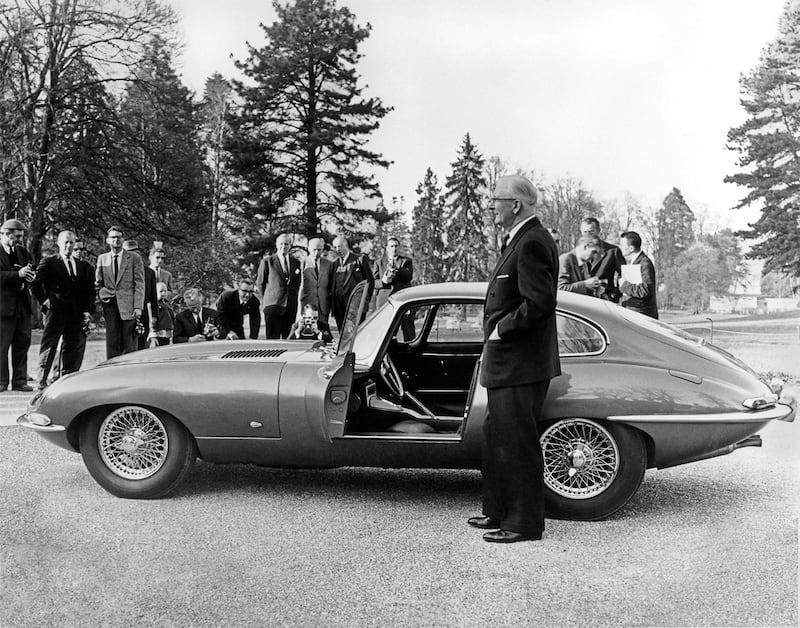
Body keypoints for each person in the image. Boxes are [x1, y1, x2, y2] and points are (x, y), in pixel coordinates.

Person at [469, 175, 561, 544]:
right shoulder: (522, 239)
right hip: (510, 364)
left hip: (520, 363)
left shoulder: (534, 241)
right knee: (496, 437)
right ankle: (498, 511)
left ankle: (523, 524)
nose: (492, 205)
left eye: (496, 200)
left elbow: (538, 303)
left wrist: (500, 329)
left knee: (517, 442)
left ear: (516, 205)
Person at [31, 230, 94, 389]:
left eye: (71, 243)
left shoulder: (83, 266)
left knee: (72, 346)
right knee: (49, 345)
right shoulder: (49, 262)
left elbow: (88, 291)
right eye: (65, 242)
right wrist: (45, 301)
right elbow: (36, 284)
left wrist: (87, 311)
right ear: (58, 243)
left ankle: (67, 380)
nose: (68, 246)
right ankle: (42, 380)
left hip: (76, 313)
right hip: (56, 311)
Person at [95, 226, 145, 359]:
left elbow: (139, 283)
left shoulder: (134, 258)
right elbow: (98, 283)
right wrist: (102, 293)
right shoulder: (102, 259)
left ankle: (130, 374)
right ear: (107, 240)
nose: (116, 240)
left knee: (129, 345)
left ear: (123, 240)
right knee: (112, 343)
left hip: (129, 308)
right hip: (110, 306)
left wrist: (138, 306)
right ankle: (112, 374)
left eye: (118, 237)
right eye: (113, 237)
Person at [0, 218, 35, 392]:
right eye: (17, 236)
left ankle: (20, 381)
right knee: (1, 346)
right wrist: (18, 275)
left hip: (22, 306)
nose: (20, 240)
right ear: (6, 234)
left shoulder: (23, 251)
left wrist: (30, 277)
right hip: (3, 308)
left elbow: (30, 268)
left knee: (23, 344)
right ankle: (1, 381)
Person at [255, 233, 302, 339]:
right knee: (273, 340)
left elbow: (297, 284)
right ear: (277, 245)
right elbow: (260, 283)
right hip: (273, 306)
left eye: (286, 244)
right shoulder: (268, 261)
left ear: (290, 246)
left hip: (290, 307)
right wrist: (268, 298)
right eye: (281, 244)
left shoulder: (296, 262)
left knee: (289, 339)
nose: (283, 246)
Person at [330, 235, 374, 330]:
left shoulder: (360, 260)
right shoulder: (334, 264)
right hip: (339, 307)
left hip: (356, 306)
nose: (338, 249)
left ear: (346, 245)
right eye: (335, 247)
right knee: (343, 337)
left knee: (357, 335)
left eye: (340, 246)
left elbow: (370, 282)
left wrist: (363, 301)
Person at [122, 240, 158, 351]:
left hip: (143, 314)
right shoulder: (120, 271)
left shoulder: (149, 272)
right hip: (124, 314)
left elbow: (153, 297)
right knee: (126, 346)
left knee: (142, 346)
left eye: (134, 252)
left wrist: (154, 316)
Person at [580, 217, 625, 302]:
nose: (588, 235)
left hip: (605, 299)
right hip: (582, 299)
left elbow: (624, 274)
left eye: (591, 232)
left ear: (598, 230)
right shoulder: (577, 251)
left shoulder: (612, 251)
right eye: (585, 232)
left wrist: (616, 293)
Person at [618, 231, 659, 319]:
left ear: (631, 248)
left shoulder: (644, 264)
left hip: (642, 315)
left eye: (622, 245)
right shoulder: (635, 263)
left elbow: (644, 290)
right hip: (636, 313)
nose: (619, 247)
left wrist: (624, 285)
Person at [299, 237, 334, 330]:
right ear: (308, 248)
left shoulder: (329, 264)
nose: (316, 252)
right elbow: (300, 285)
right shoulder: (303, 263)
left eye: (319, 250)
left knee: (323, 333)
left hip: (323, 305)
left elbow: (331, 286)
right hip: (308, 306)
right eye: (314, 249)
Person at [373, 236, 413, 307]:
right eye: (391, 246)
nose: (394, 249)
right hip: (384, 300)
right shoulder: (379, 263)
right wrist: (383, 281)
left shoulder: (406, 261)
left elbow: (409, 276)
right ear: (387, 248)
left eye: (396, 246)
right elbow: (374, 282)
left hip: (400, 298)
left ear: (399, 247)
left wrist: (397, 268)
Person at [148, 281, 175, 346]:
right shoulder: (153, 305)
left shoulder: (167, 304)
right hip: (158, 334)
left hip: (167, 334)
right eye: (161, 291)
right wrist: (152, 335)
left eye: (165, 291)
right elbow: (151, 320)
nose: (163, 293)